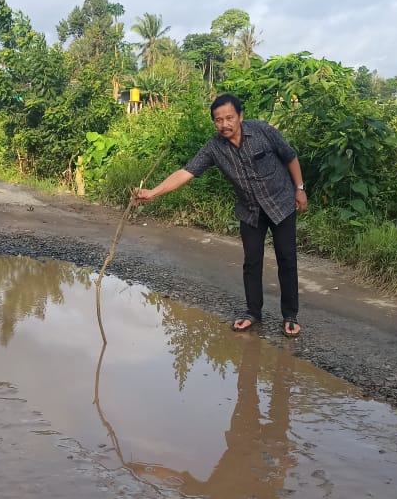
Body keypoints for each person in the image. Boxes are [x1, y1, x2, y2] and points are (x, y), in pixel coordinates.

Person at [132, 93, 308, 337]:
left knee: (287, 260)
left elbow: (290, 156)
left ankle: (290, 315)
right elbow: (186, 172)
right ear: (214, 122)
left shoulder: (262, 131)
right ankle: (252, 313)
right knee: (252, 262)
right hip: (251, 211)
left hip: (281, 202)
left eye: (229, 118)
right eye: (218, 120)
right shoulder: (214, 148)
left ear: (240, 117)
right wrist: (153, 192)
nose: (224, 124)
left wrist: (299, 189)